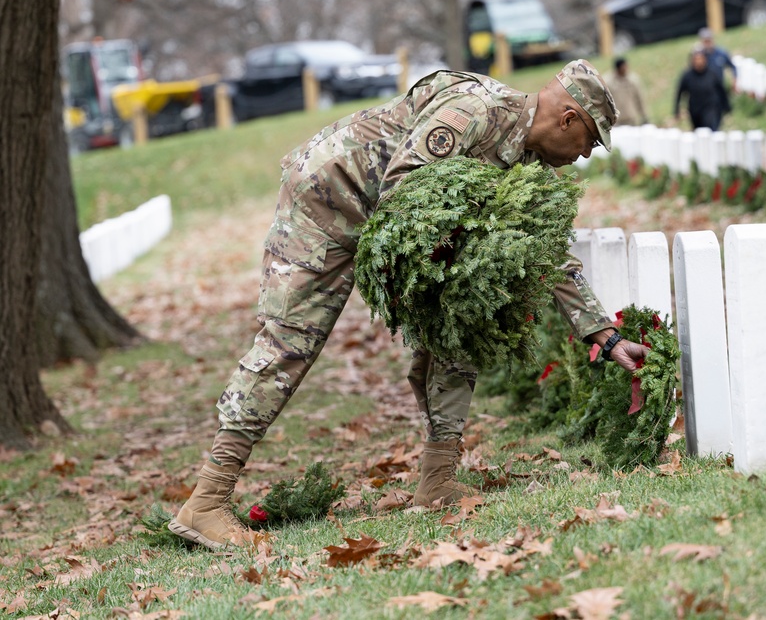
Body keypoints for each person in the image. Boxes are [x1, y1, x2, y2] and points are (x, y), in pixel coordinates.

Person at [167, 60, 650, 550]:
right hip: (330, 198)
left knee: (462, 317)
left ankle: (436, 479)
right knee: (292, 342)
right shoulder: (475, 113)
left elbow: (547, 253)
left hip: (397, 225)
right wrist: (475, 239)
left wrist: (604, 336)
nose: (586, 154)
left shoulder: (529, 162)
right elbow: (403, 190)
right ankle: (206, 501)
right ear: (568, 118)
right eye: (589, 140)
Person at [674, 45, 731, 131]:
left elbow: (721, 90)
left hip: (711, 108)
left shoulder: (712, 73)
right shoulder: (687, 76)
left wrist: (726, 106)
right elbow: (680, 92)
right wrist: (676, 110)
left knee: (710, 128)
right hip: (695, 110)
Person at [604, 57, 648, 126]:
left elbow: (640, 99)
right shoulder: (608, 82)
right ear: (618, 68)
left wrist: (645, 116)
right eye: (623, 67)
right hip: (616, 121)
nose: (626, 69)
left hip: (631, 119)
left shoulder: (633, 80)